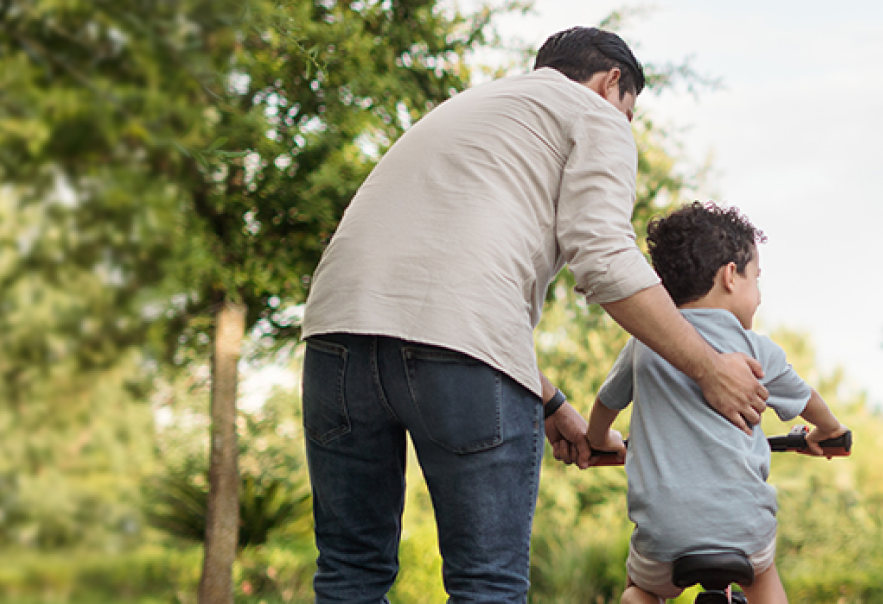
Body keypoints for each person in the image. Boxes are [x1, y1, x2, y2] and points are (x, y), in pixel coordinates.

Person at [297, 27, 771, 602]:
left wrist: (549, 403)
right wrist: (708, 367)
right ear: (611, 81)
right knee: (485, 583)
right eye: (629, 112)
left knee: (350, 571)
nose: (624, 125)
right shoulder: (594, 115)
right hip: (462, 352)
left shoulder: (471, 107)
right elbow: (602, 256)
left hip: (335, 334)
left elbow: (435, 293)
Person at [585, 202, 848, 604]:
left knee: (639, 591)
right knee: (764, 577)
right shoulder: (758, 350)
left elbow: (606, 403)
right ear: (730, 276)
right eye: (756, 280)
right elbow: (810, 402)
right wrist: (830, 431)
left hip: (663, 537)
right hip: (745, 533)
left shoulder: (644, 344)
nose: (758, 296)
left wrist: (599, 439)